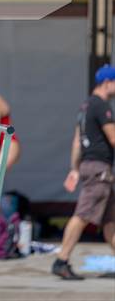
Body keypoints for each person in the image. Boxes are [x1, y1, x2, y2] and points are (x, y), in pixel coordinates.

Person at [51, 64, 115, 280]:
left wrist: (75, 169)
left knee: (110, 222)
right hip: (99, 170)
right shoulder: (102, 106)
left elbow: (77, 142)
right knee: (82, 215)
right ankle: (62, 260)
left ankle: (62, 260)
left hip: (90, 167)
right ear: (108, 82)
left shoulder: (85, 107)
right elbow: (113, 138)